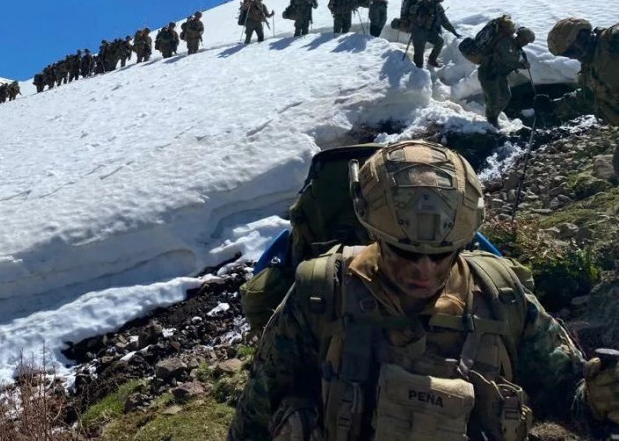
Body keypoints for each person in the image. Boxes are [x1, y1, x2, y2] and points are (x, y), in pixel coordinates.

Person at [229, 139, 619, 441]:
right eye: (405, 251)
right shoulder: (321, 292)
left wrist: (598, 401)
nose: (424, 270)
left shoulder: (502, 296)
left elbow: (565, 395)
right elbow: (258, 413)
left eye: (444, 254)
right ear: (374, 233)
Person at [543, 18, 619, 174]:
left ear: (582, 35)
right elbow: (586, 98)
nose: (573, 56)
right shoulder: (589, 67)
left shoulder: (612, 41)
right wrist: (552, 106)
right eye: (568, 54)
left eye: (572, 50)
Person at [479, 26, 535, 127]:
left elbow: (512, 60)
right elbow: (505, 59)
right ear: (520, 37)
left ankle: (493, 116)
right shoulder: (505, 43)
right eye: (525, 41)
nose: (525, 44)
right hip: (489, 73)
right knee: (493, 98)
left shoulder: (517, 49)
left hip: (500, 75)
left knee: (505, 96)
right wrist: (521, 65)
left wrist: (523, 62)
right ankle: (491, 120)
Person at [410, 0, 460, 68]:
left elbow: (445, 22)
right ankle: (417, 71)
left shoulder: (439, 7)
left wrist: (454, 31)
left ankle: (432, 60)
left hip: (429, 32)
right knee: (419, 58)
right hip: (419, 32)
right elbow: (413, 15)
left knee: (440, 41)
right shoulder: (424, 3)